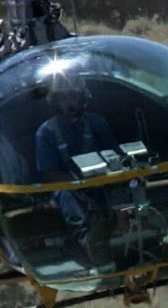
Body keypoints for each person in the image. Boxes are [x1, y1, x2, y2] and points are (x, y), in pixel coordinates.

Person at [35, 87, 121, 258]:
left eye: (73, 97)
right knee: (66, 194)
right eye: (64, 98)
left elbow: (115, 156)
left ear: (82, 99)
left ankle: (124, 228)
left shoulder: (97, 123)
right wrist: (77, 182)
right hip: (68, 186)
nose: (69, 102)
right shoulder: (46, 132)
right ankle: (87, 241)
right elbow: (48, 174)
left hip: (101, 180)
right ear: (56, 102)